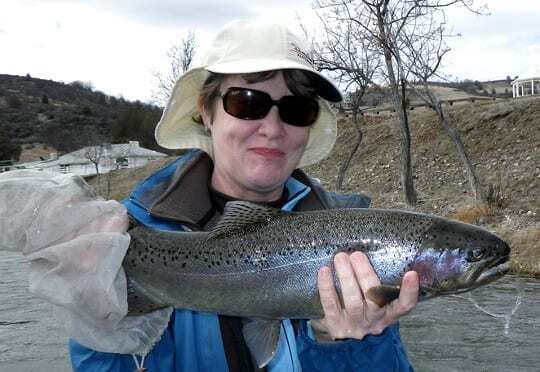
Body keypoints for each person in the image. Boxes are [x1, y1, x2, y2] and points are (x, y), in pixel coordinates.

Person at [1, 20, 418, 372]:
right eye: (248, 102)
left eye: (296, 110)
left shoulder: (356, 245)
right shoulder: (123, 239)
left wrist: (348, 344)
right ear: (206, 110)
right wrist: (107, 333)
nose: (272, 128)